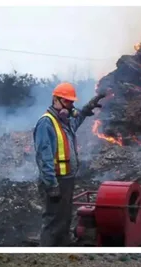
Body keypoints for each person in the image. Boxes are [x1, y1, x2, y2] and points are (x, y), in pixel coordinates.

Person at [33, 82, 105, 246]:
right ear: (55, 100)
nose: (69, 105)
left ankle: (62, 246)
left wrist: (88, 107)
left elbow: (78, 119)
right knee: (53, 220)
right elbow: (44, 158)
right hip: (56, 180)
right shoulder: (46, 123)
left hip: (67, 179)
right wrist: (51, 185)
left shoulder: (64, 122)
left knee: (64, 218)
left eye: (71, 102)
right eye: (66, 101)